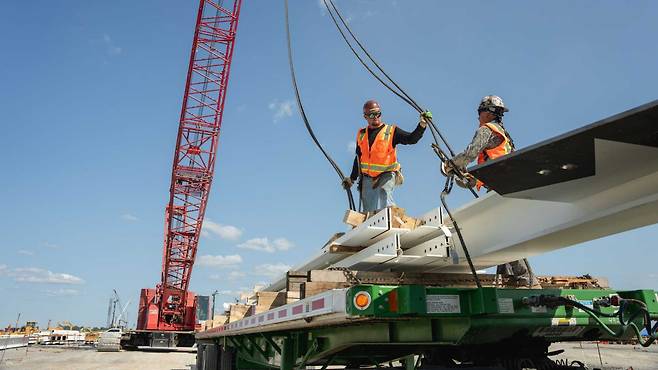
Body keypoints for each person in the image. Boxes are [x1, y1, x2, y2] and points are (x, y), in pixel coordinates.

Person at [449, 95, 539, 287]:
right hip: (507, 185)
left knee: (502, 231)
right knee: (502, 230)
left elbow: (470, 153)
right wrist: (470, 180)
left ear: (488, 113)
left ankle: (524, 276)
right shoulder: (504, 135)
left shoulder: (486, 130)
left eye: (479, 112)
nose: (477, 116)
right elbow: (492, 164)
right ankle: (509, 274)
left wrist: (451, 164)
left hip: (500, 187)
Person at [342, 100, 431, 212]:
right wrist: (352, 178)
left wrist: (422, 125)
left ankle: (391, 220)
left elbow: (411, 139)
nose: (375, 117)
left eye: (378, 113)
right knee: (368, 212)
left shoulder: (391, 131)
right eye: (371, 114)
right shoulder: (361, 134)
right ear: (365, 117)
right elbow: (359, 158)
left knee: (385, 196)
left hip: (387, 174)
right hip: (368, 177)